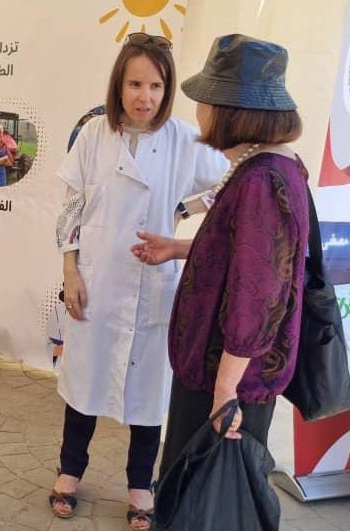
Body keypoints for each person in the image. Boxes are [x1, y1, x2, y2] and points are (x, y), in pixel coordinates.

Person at [52, 32, 228, 530]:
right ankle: (69, 471)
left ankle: (139, 485)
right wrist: (70, 270)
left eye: (155, 86)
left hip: (155, 284)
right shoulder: (93, 134)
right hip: (97, 281)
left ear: (167, 90)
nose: (144, 97)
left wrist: (184, 209)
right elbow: (70, 208)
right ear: (118, 85)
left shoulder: (183, 139)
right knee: (84, 381)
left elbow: (231, 178)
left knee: (150, 393)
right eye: (134, 84)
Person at [132, 34, 309, 514]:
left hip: (225, 376)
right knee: (200, 498)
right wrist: (178, 248)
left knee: (202, 503)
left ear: (231, 110)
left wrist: (226, 391)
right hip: (221, 372)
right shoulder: (270, 167)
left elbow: (258, 293)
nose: (200, 111)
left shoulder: (262, 180)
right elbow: (247, 256)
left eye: (207, 100)